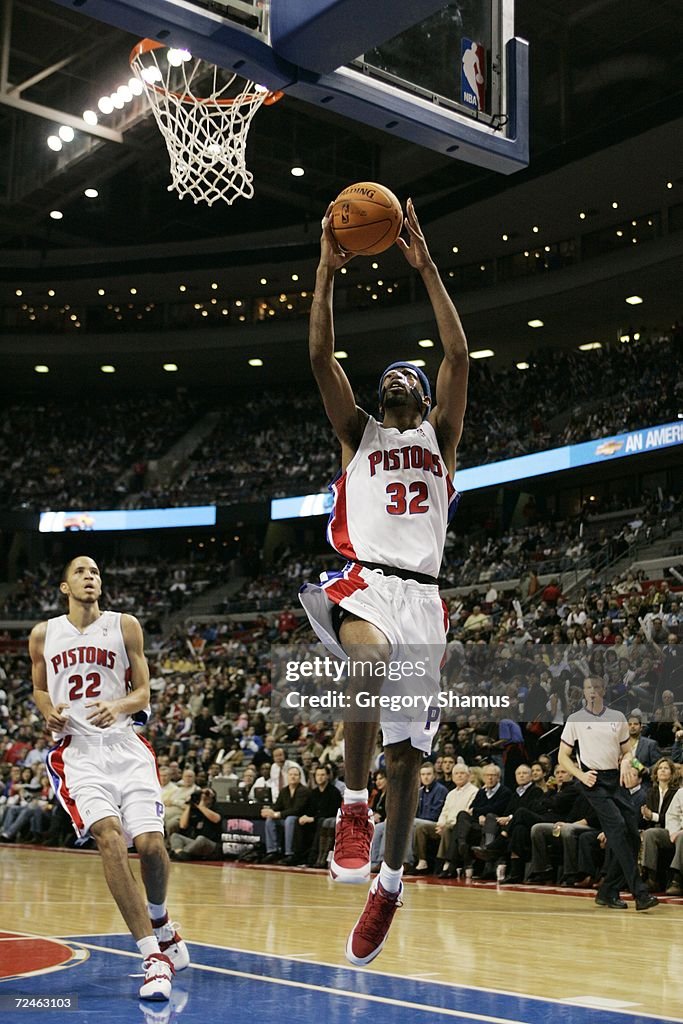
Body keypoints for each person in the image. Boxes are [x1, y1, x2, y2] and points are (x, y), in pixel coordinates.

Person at [299, 197, 468, 966]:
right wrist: (325, 274)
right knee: (363, 665)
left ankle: (391, 885)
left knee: (408, 760)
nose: (396, 382)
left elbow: (458, 357)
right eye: (388, 379)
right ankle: (352, 809)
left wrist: (425, 265)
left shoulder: (439, 441)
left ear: (425, 401)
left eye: (410, 377)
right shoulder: (355, 436)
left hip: (423, 599)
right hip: (366, 583)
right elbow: (319, 359)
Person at [30, 556, 188, 1002]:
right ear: (65, 586)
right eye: (81, 572)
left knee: (153, 846)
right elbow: (40, 687)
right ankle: (152, 955)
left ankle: (159, 918)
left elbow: (143, 692)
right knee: (109, 836)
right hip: (78, 753)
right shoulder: (44, 633)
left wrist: (118, 707)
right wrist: (48, 712)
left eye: (96, 572)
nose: (90, 578)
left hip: (125, 744)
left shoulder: (125, 625)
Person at [557, 675, 658, 911]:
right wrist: (581, 775)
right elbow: (563, 756)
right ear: (583, 692)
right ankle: (639, 893)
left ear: (604, 690)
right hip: (593, 781)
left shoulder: (618, 717)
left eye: (597, 687)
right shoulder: (575, 720)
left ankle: (607, 891)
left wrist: (626, 763)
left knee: (632, 834)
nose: (593, 691)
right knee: (618, 829)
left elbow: (628, 752)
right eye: (588, 688)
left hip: (616, 779)